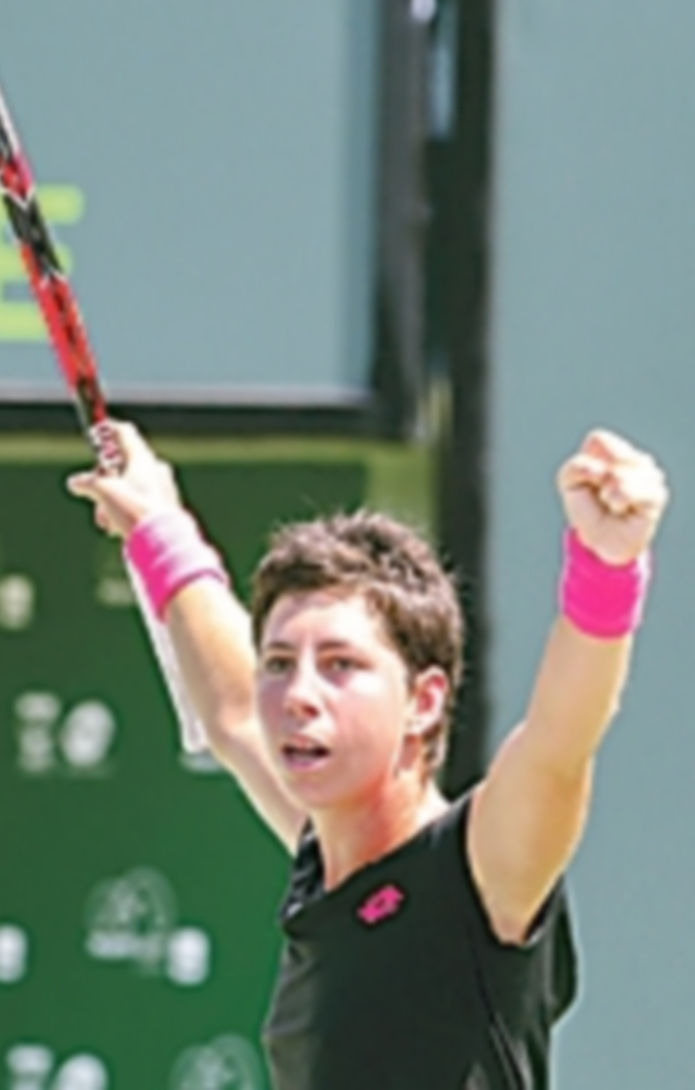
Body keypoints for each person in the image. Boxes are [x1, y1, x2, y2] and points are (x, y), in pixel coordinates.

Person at [67, 424, 668, 1089]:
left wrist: (607, 567)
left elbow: (560, 742)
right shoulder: (320, 857)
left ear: (423, 700)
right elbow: (235, 710)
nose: (298, 694)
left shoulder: (478, 873)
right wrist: (157, 526)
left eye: (340, 665)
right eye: (280, 662)